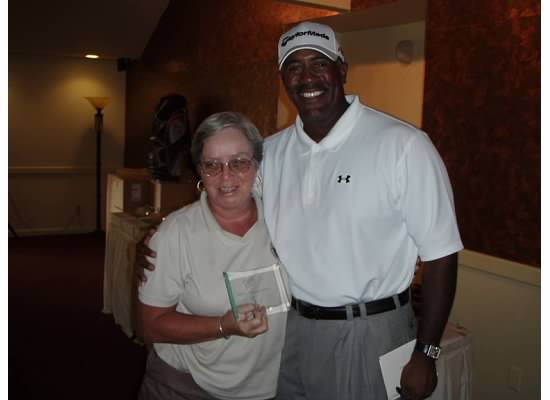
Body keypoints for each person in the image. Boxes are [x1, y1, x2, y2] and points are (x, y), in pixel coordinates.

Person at [137, 21, 463, 400]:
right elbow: (227, 197)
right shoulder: (272, 153)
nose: (307, 77)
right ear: (283, 80)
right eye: (294, 67)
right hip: (293, 330)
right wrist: (162, 238)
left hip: (368, 329)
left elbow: (442, 254)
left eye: (319, 63)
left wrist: (427, 352)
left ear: (342, 69)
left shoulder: (403, 145)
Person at [136, 111, 288, 400]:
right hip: (186, 387)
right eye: (212, 165)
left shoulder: (284, 221)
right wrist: (222, 326)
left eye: (239, 162)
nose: (226, 176)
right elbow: (150, 325)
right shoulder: (175, 234)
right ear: (200, 172)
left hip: (271, 389)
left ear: (257, 165)